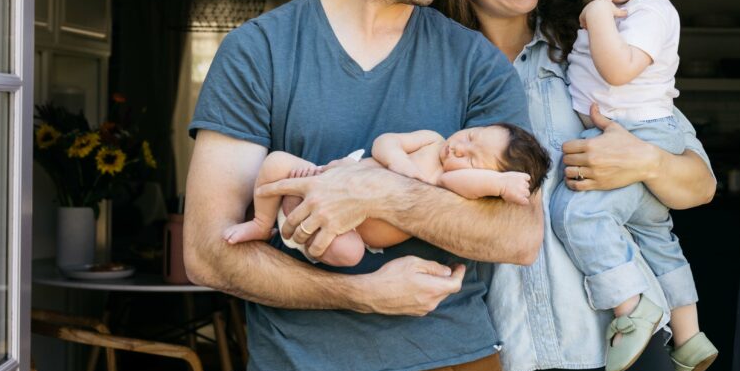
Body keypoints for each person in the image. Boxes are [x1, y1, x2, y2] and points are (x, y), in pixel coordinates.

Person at [184, 0, 542, 371]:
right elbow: (208, 252)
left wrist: (378, 195)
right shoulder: (259, 52)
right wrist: (362, 292)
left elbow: (520, 235)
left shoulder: (477, 63)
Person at [437, 0, 716, 371]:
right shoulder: (444, 82)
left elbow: (700, 185)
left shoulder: (592, 50)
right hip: (508, 352)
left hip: (621, 343)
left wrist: (646, 161)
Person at [549, 0, 717, 371]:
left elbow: (619, 70)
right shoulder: (620, 10)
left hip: (644, 135)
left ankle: (632, 307)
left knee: (577, 215)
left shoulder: (649, 12)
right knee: (654, 236)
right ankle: (689, 338)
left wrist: (597, 18)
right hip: (631, 135)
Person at [223, 123, 549, 268]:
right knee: (277, 162)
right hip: (326, 176)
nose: (460, 147)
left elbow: (467, 182)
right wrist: (398, 162)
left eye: (473, 158)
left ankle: (296, 213)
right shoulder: (432, 141)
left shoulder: (454, 183)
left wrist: (501, 185)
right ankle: (261, 221)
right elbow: (384, 141)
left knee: (349, 255)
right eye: (472, 136)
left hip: (352, 233)